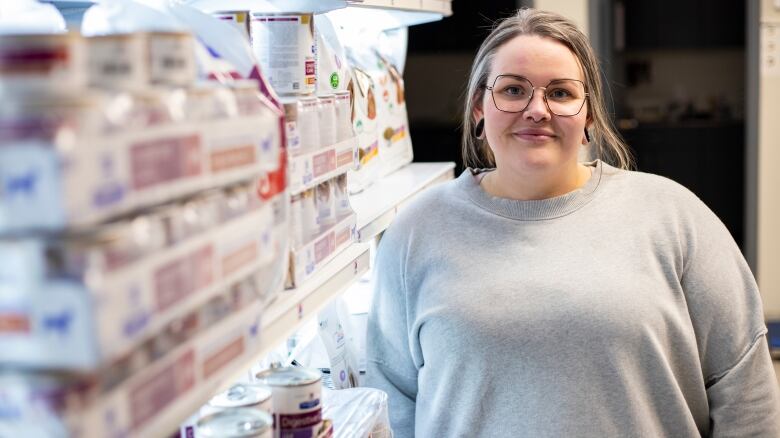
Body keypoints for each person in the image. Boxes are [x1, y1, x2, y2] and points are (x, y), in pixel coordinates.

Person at [364, 8, 780, 437]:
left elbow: (743, 383)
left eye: (561, 93)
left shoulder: (673, 215)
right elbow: (391, 400)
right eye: (512, 90)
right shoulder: (417, 231)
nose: (537, 110)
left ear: (590, 116)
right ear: (477, 110)